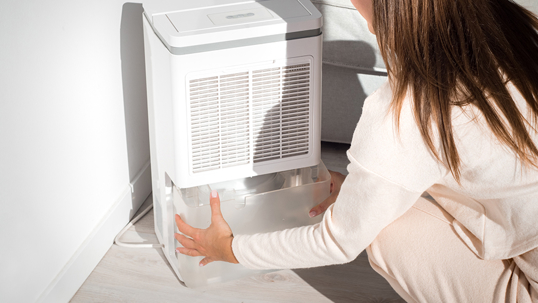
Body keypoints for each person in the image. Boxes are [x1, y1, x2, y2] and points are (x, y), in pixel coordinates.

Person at [174, 0, 538, 301]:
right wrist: (363, 186)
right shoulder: (517, 25)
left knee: (383, 230)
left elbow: (338, 241)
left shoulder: (409, 112)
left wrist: (230, 249)